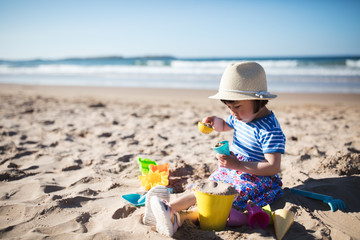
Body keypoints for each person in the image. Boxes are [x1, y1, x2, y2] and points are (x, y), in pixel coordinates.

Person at [143, 62, 286, 237]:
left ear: (258, 100)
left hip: (258, 179)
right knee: (204, 188)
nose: (233, 112)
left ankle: (177, 216)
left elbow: (273, 167)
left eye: (237, 107)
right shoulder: (242, 117)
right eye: (229, 107)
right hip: (234, 170)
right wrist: (214, 122)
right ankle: (168, 209)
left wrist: (237, 164)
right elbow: (226, 124)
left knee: (220, 199)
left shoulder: (269, 130)